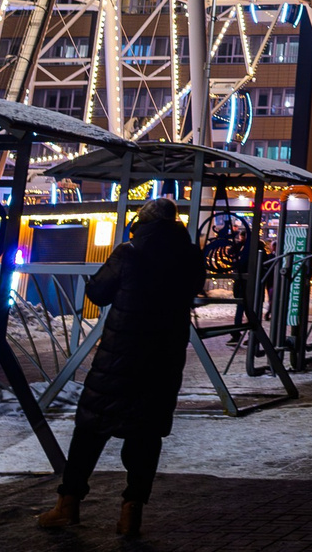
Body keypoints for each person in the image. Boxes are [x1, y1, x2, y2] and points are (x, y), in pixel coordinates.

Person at [37, 198, 205, 538]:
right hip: (163, 357)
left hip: (119, 356)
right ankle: (132, 514)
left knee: (89, 429)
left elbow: (98, 293)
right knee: (146, 434)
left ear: (141, 222)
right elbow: (193, 291)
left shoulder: (128, 253)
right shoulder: (189, 256)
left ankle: (67, 504)